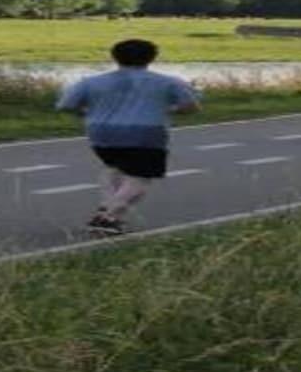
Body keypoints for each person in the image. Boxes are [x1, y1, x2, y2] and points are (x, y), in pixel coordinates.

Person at [55, 38, 200, 235]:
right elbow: (190, 106)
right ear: (152, 57)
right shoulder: (168, 82)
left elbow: (66, 105)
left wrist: (88, 113)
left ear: (114, 57)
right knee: (140, 178)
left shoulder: (90, 82)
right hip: (146, 132)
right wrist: (169, 109)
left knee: (114, 168)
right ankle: (107, 216)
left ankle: (111, 213)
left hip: (101, 131)